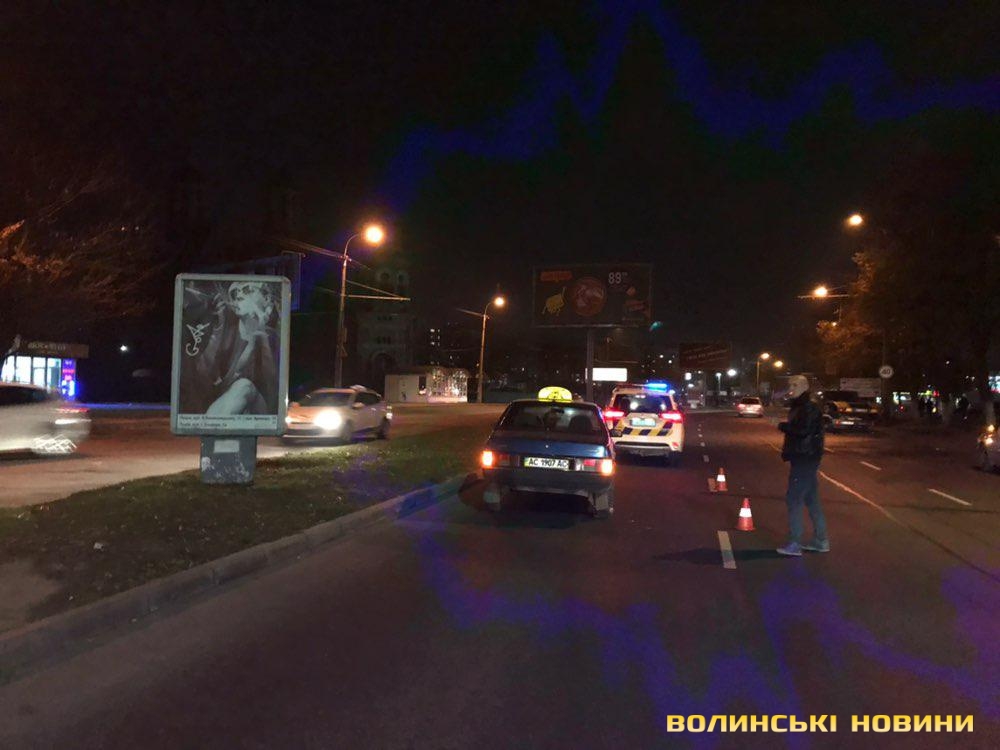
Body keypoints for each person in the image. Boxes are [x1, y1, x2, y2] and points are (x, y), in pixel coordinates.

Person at [776, 375, 828, 556]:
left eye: (795, 385)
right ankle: (821, 541)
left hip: (805, 458)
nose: (791, 388)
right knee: (811, 500)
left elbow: (804, 430)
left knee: (794, 499)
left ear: (805, 387)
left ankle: (795, 543)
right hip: (805, 457)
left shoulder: (808, 407)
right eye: (790, 385)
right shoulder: (800, 405)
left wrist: (783, 426)